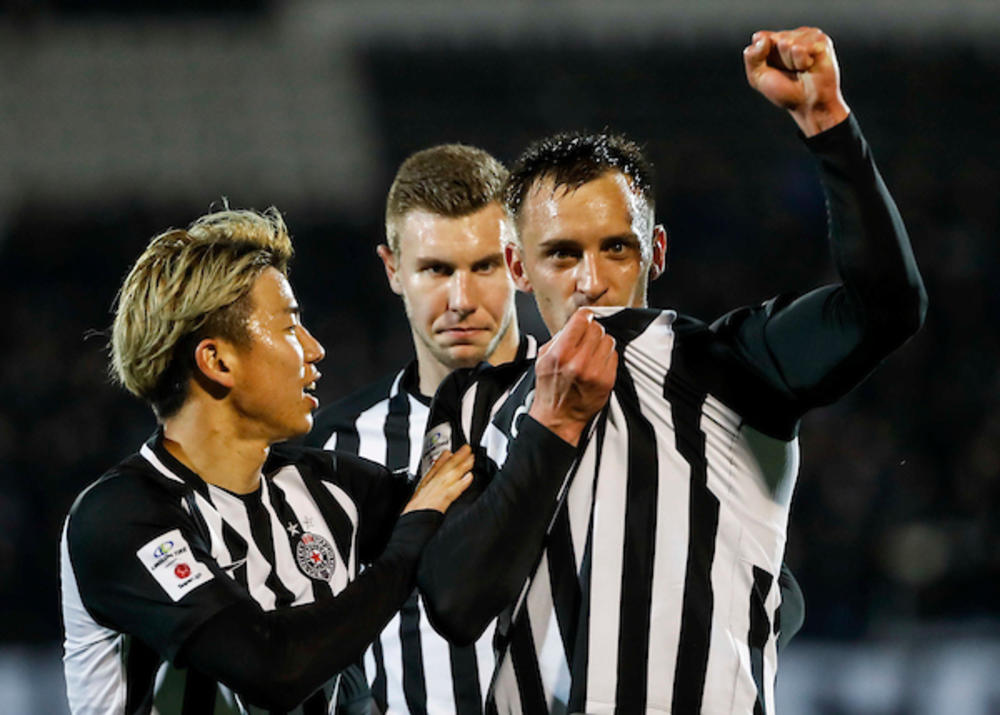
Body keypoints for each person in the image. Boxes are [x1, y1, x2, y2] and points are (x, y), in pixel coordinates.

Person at [415, 27, 927, 714]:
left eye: (616, 249)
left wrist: (827, 124)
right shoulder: (473, 407)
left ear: (655, 252)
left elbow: (888, 307)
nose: (591, 281)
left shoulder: (728, 362)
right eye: (562, 254)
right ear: (517, 267)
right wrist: (553, 427)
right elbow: (453, 601)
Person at [59, 207, 477, 714]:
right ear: (217, 361)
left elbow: (470, 515)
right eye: (290, 326)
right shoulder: (119, 518)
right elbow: (270, 668)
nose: (315, 349)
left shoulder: (325, 488)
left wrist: (542, 424)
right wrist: (409, 541)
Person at [306, 144, 537, 714]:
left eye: (484, 266)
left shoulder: (591, 408)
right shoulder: (336, 447)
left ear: (520, 263)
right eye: (436, 269)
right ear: (393, 270)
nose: (461, 299)